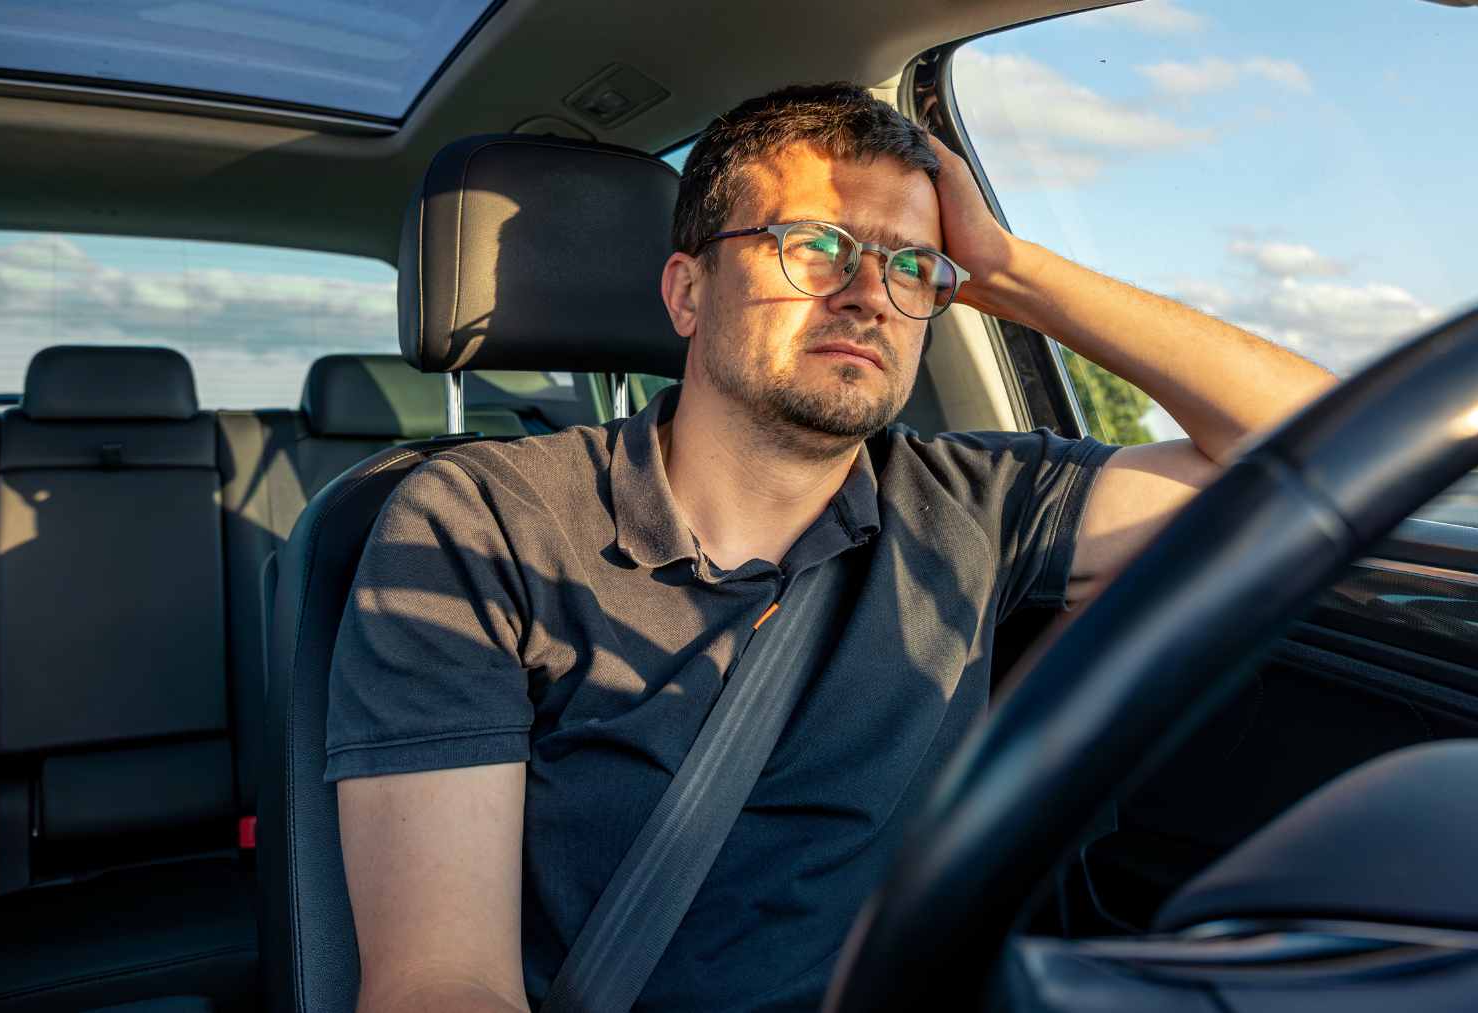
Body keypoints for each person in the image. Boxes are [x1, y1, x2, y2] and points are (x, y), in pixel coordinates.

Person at [326, 83, 1335, 1012]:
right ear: (687, 291)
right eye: (814, 246)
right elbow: (442, 982)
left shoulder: (978, 501)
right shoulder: (481, 520)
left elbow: (1329, 452)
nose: (866, 294)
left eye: (909, 265)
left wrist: (1011, 271)